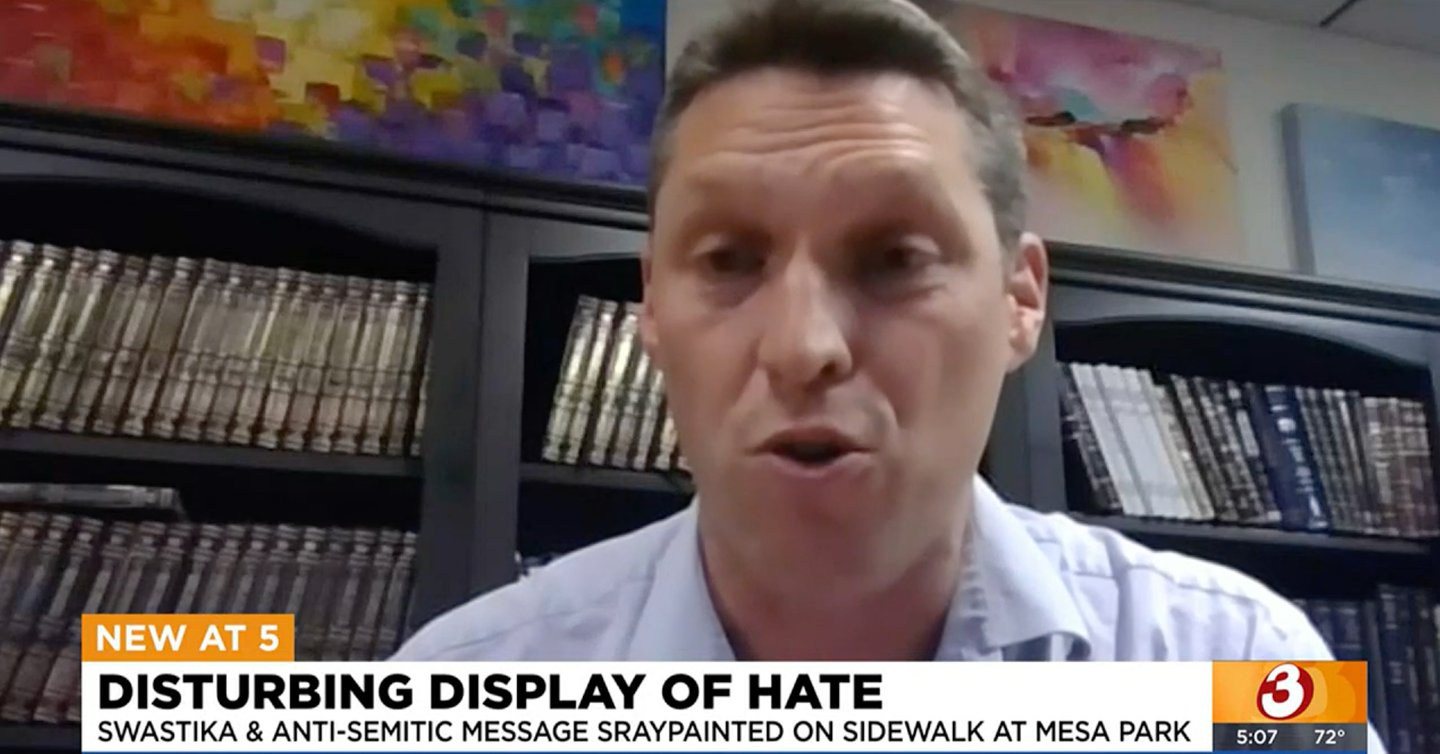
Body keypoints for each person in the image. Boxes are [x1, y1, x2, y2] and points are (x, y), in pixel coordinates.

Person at [394, 5, 1378, 741]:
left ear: (1020, 298)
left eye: (896, 259)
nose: (803, 346)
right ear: (652, 305)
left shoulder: (1241, 666)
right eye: (729, 259)